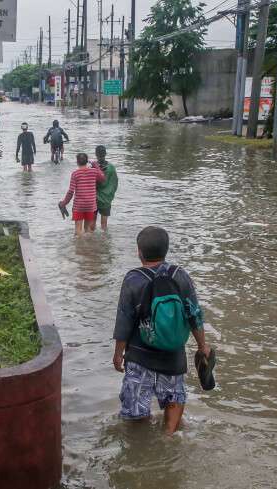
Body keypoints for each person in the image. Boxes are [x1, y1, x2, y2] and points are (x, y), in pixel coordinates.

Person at [112, 226, 211, 434]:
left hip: (140, 357)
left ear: (139, 252)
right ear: (166, 250)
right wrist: (203, 346)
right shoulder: (180, 275)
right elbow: (195, 314)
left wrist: (118, 354)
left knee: (136, 411)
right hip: (173, 356)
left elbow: (124, 320)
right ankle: (168, 436)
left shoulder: (133, 279)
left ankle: (142, 444)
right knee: (174, 397)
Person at [59, 153, 105, 236]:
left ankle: (80, 247)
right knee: (87, 230)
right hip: (91, 205)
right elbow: (102, 179)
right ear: (87, 161)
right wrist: (96, 166)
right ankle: (87, 247)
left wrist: (64, 203)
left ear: (77, 162)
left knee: (78, 230)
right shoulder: (94, 172)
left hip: (79, 206)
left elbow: (70, 192)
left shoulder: (75, 174)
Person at [93, 145, 118, 232]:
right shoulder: (111, 168)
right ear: (105, 154)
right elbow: (115, 184)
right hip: (106, 199)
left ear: (96, 154)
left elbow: (90, 183)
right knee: (104, 225)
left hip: (94, 198)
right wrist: (110, 196)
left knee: (92, 225)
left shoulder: (93, 167)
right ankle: (105, 243)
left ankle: (91, 242)